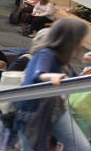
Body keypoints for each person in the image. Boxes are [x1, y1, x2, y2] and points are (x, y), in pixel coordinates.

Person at [16, 18, 90, 151]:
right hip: (33, 113)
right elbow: (39, 73)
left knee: (82, 147)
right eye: (78, 40)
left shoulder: (58, 57)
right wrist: (53, 76)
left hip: (54, 110)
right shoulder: (45, 53)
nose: (80, 45)